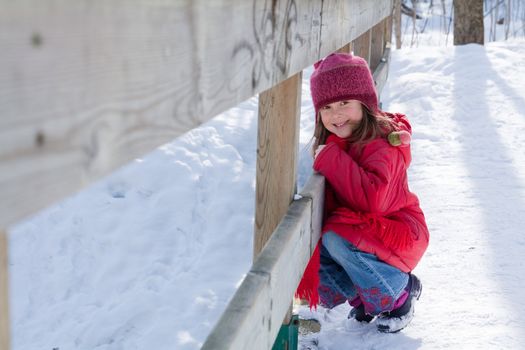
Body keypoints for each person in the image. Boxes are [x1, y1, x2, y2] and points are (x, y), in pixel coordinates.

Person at [296, 52, 429, 333]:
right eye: (327, 107)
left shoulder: (381, 143)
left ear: (365, 102)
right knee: (326, 236)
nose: (336, 114)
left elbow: (373, 201)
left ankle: (399, 293)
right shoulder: (341, 142)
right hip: (370, 232)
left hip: (399, 230)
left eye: (344, 102)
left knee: (336, 235)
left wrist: (331, 159)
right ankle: (365, 297)